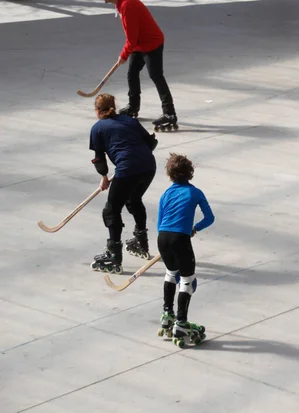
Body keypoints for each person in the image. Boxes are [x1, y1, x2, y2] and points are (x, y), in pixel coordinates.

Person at [89, 93, 158, 274]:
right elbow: (150, 142)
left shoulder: (98, 128)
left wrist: (104, 176)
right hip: (149, 166)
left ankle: (114, 255)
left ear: (97, 110)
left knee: (111, 210)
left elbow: (99, 158)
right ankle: (141, 243)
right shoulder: (129, 120)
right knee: (134, 199)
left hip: (128, 170)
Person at [156, 153, 215, 347]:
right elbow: (209, 218)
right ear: (190, 172)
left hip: (163, 237)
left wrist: (166, 242)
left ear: (170, 174)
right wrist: (194, 228)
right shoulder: (194, 193)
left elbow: (159, 223)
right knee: (188, 282)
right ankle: (181, 323)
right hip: (180, 239)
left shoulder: (165, 194)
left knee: (170, 273)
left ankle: (167, 314)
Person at [105, 0, 178, 131]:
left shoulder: (128, 5)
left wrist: (123, 55)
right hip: (139, 44)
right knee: (132, 73)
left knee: (156, 76)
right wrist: (126, 53)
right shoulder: (121, 5)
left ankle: (169, 113)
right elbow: (133, 37)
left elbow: (132, 38)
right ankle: (133, 106)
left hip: (152, 43)